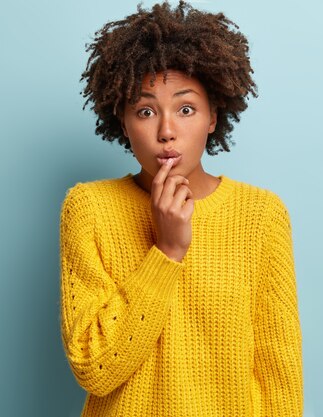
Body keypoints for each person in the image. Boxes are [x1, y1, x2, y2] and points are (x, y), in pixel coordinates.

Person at [58, 1, 303, 416]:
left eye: (186, 109)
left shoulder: (261, 215)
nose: (167, 131)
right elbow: (94, 367)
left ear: (213, 116)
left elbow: (279, 376)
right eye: (146, 110)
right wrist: (167, 252)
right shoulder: (89, 208)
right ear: (122, 120)